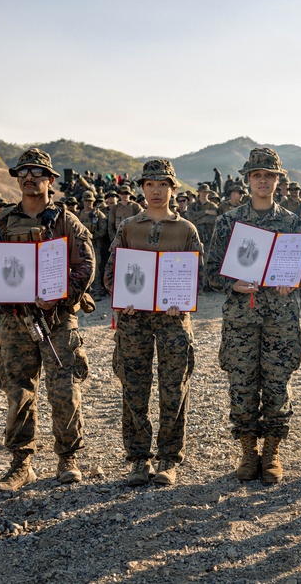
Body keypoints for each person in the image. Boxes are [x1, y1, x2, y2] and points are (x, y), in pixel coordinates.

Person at [0, 148, 96, 492]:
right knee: (19, 391)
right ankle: (21, 465)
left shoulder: (65, 221)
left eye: (38, 172)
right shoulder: (0, 222)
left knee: (63, 388)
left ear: (50, 180)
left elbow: (86, 265)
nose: (30, 177)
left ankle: (68, 457)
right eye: (24, 172)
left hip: (56, 317)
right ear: (17, 179)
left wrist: (62, 294)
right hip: (14, 318)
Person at [206, 148, 301, 484]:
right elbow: (211, 272)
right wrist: (232, 283)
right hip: (241, 319)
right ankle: (248, 452)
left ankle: (273, 452)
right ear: (247, 179)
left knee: (278, 386)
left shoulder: (292, 223)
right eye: (257, 175)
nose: (263, 181)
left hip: (280, 317)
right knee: (242, 386)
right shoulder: (228, 222)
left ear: (278, 180)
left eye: (270, 175)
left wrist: (292, 283)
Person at [104, 160, 201, 487]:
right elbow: (110, 273)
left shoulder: (186, 230)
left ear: (173, 189)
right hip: (135, 319)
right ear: (142, 189)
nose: (156, 191)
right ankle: (139, 458)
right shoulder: (129, 227)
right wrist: (122, 294)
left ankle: (168, 458)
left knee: (174, 388)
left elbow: (197, 277)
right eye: (150, 185)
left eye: (163, 185)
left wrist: (183, 300)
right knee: (134, 388)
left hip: (174, 320)